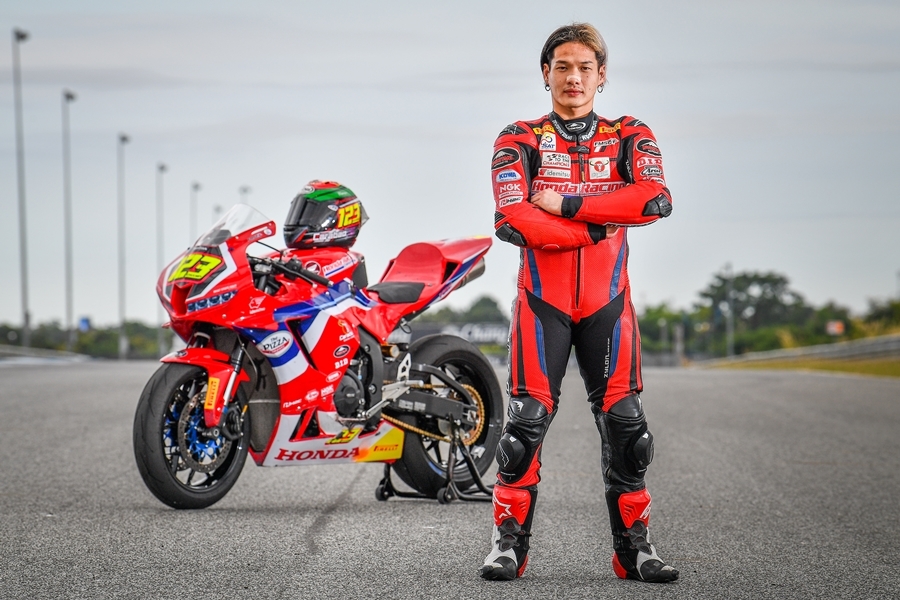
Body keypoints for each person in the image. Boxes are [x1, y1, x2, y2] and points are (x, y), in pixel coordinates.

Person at [481, 23, 678, 583]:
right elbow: (512, 219)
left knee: (628, 430)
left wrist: (567, 205)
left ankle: (634, 551)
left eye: (585, 68)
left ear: (602, 75)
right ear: (545, 73)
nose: (574, 77)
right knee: (523, 428)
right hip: (541, 303)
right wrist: (597, 226)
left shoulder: (630, 133)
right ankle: (507, 548)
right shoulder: (518, 136)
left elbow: (655, 199)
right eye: (562, 67)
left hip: (607, 304)